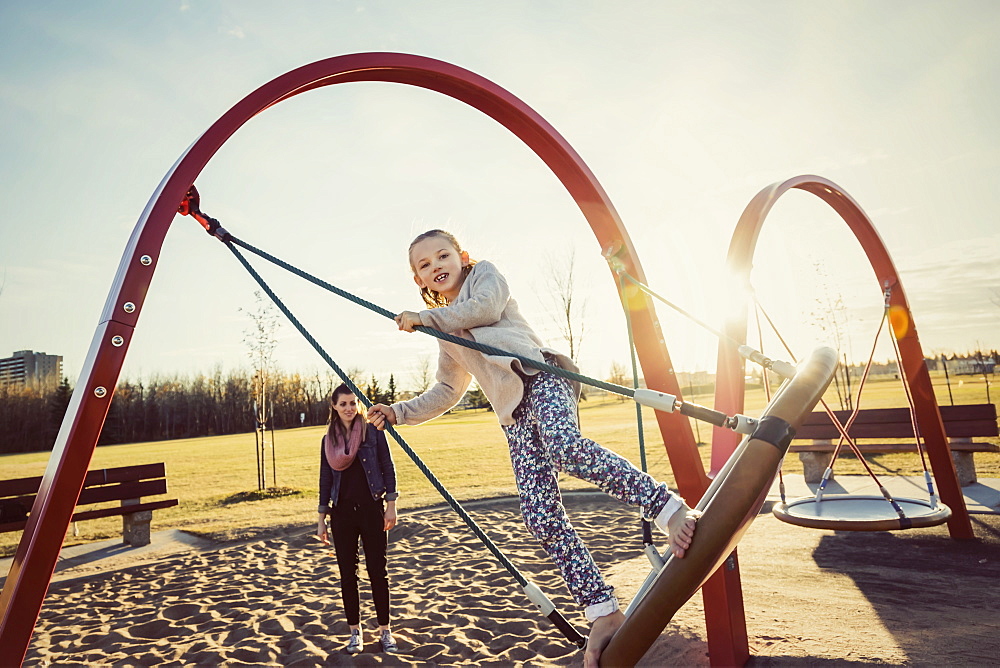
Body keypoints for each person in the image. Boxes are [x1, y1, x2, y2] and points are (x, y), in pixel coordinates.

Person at [368, 229, 700, 666]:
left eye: (442, 255)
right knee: (539, 516)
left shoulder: (484, 277)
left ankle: (667, 507)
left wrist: (426, 318)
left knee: (565, 448)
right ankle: (602, 610)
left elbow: (482, 309)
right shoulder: (445, 331)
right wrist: (399, 412)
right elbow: (447, 389)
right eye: (425, 265)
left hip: (542, 379)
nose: (436, 266)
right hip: (515, 416)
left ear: (462, 256)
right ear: (419, 281)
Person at [317, 383, 400, 655]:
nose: (349, 408)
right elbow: (325, 479)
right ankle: (355, 632)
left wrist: (391, 505)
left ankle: (384, 630)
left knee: (378, 571)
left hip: (372, 508)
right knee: (347, 574)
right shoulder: (328, 439)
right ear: (334, 407)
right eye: (343, 404)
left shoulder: (373, 432)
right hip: (341, 514)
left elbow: (388, 467)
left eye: (353, 403)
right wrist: (321, 519)